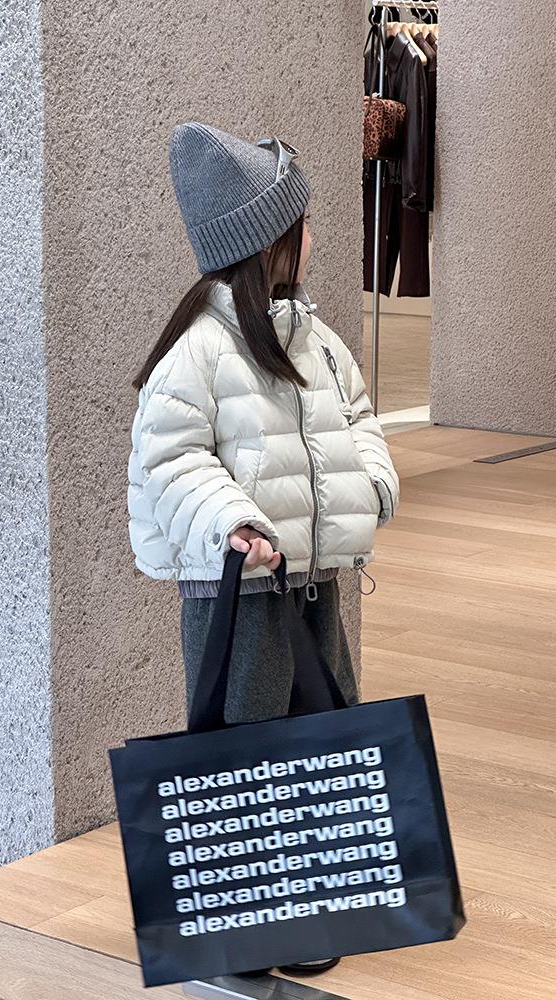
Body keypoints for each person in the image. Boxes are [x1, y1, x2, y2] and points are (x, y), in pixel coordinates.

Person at [127, 122, 400, 978]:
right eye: (303, 222)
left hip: (313, 582)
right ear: (268, 241)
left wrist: (375, 484)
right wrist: (232, 521)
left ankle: (308, 908)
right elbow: (169, 458)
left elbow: (359, 418)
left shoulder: (316, 340)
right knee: (245, 749)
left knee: (322, 733)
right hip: (239, 593)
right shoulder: (199, 349)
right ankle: (241, 924)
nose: (314, 235)